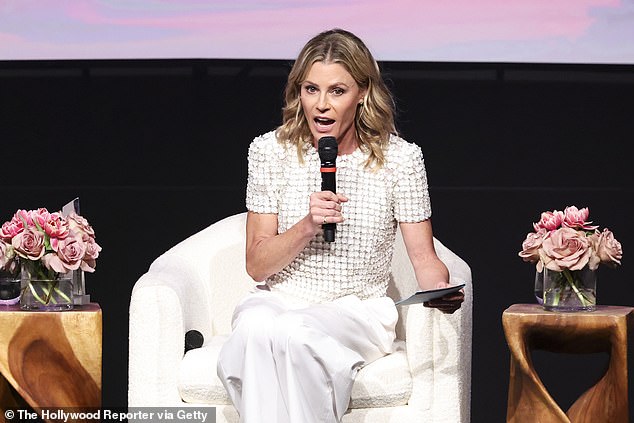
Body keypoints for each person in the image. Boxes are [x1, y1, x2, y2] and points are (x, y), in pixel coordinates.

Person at [217, 28, 464, 423]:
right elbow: (257, 266)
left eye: (337, 91)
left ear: (363, 92)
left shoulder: (398, 160)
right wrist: (306, 225)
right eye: (311, 89)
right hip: (278, 299)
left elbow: (424, 259)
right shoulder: (270, 151)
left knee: (294, 335)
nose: (321, 105)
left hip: (356, 311)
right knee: (255, 333)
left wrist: (439, 289)